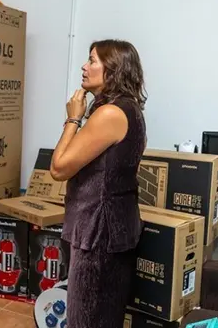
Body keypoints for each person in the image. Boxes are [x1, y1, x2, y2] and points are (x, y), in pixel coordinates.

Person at [49, 39, 147, 328]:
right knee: (104, 317)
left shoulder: (110, 114)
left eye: (92, 60)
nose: (84, 66)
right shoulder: (128, 110)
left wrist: (73, 118)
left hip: (99, 233)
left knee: (86, 318)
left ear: (113, 69)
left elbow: (58, 168)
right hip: (112, 229)